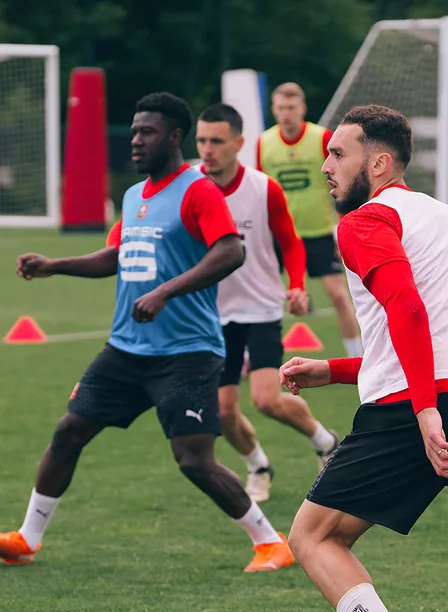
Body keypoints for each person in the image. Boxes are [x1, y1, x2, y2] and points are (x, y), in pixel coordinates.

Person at [0, 91, 295, 575]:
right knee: (69, 431)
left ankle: (271, 543)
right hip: (125, 349)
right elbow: (115, 256)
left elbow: (230, 251)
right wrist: (54, 265)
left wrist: (165, 292)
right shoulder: (135, 195)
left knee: (194, 461)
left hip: (186, 353)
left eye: (147, 132)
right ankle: (27, 539)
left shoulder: (198, 190)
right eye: (134, 131)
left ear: (174, 137)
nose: (135, 140)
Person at [281, 104, 448, 612]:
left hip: (410, 413)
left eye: (339, 154)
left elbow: (408, 310)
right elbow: (436, 334)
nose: (326, 165)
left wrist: (425, 411)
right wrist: (337, 370)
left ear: (380, 162)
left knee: (314, 536)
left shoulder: (365, 221)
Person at [194, 103, 339, 503]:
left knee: (267, 399)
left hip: (260, 308)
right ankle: (258, 465)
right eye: (202, 140)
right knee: (223, 411)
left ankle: (324, 440)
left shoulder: (263, 188)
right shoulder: (189, 187)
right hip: (212, 315)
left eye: (217, 141)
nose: (207, 149)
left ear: (238, 143)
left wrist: (297, 285)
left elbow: (291, 242)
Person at [257, 82, 362, 358]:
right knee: (260, 296)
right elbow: (259, 191)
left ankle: (357, 358)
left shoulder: (322, 138)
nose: (286, 113)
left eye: (291, 107)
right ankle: (250, 356)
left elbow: (343, 183)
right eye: (281, 108)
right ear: (274, 110)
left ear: (302, 108)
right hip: (279, 235)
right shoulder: (264, 142)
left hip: (318, 233)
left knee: (338, 295)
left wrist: (343, 228)